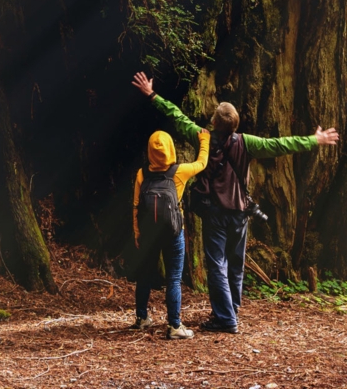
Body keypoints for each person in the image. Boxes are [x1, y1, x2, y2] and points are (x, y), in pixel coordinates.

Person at [132, 71, 339, 334]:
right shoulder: (247, 142)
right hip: (240, 212)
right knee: (235, 264)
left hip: (215, 213)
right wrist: (314, 140)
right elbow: (280, 145)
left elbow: (176, 116)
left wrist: (152, 94)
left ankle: (226, 318)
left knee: (217, 264)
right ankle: (231, 309)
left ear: (215, 121)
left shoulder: (202, 136)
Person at [132, 123, 210, 339]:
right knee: (173, 279)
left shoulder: (142, 174)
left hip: (148, 234)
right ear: (170, 149)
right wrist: (204, 140)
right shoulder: (180, 172)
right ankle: (175, 326)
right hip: (173, 233)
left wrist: (137, 233)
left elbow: (137, 205)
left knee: (144, 276)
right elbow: (202, 163)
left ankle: (141, 318)